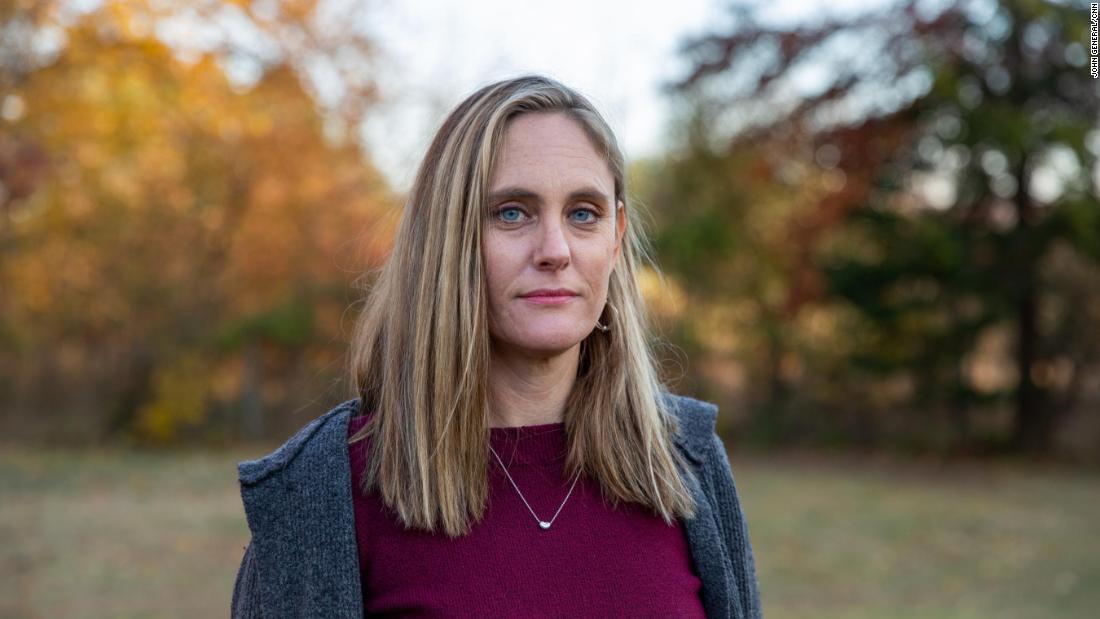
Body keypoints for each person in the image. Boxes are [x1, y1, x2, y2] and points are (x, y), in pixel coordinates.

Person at [230, 74, 762, 619]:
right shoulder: (324, 490)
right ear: (448, 237)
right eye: (512, 212)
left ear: (616, 234)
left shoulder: (684, 460)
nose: (555, 251)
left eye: (583, 213)